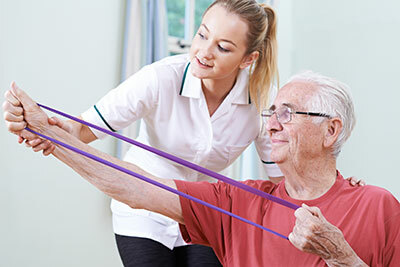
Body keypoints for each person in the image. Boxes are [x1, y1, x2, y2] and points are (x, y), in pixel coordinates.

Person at [4, 71, 398, 266]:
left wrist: (342, 256)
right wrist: (53, 138)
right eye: (271, 112)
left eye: (288, 114)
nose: (272, 123)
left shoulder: (380, 207)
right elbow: (136, 186)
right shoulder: (241, 201)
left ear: (331, 131)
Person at [9, 1, 282, 266]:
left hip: (205, 210)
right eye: (202, 34)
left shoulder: (262, 102)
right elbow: (80, 129)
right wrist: (40, 128)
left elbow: (283, 180)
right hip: (142, 206)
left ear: (248, 59)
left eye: (222, 47)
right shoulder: (160, 77)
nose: (204, 51)